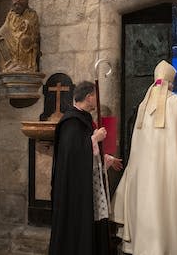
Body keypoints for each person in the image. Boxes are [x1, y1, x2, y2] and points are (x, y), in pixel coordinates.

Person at [111, 60, 177, 255]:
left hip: (144, 178)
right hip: (170, 174)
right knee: (170, 205)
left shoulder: (142, 106)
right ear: (171, 83)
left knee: (148, 207)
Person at [48, 81, 122, 255]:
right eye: (95, 96)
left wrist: (107, 159)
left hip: (85, 183)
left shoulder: (83, 119)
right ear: (89, 97)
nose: (96, 100)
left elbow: (85, 153)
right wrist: (95, 139)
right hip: (74, 190)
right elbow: (72, 155)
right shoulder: (71, 122)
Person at [0, 0, 40, 73]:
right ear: (13, 0)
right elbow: (6, 26)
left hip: (26, 39)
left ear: (26, 1)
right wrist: (2, 33)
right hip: (12, 37)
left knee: (23, 38)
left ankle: (24, 66)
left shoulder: (31, 14)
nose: (18, 1)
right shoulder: (11, 15)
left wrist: (27, 25)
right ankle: (9, 64)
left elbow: (34, 29)